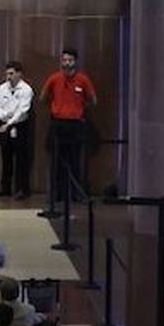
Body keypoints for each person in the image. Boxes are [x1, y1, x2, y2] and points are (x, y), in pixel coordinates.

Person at [39, 46, 97, 210]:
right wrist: (56, 108)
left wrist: (79, 108)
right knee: (56, 161)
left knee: (75, 160)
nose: (66, 63)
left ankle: (76, 193)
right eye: (64, 60)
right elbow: (42, 98)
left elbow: (93, 99)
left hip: (75, 125)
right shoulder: (54, 78)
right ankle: (55, 194)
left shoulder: (83, 80)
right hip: (58, 124)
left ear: (75, 62)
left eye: (70, 60)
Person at [0, 61, 35, 198]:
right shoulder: (2, 88)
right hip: (3, 125)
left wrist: (10, 122)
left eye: (11, 74)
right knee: (6, 157)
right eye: (7, 74)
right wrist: (3, 118)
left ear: (19, 74)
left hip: (19, 127)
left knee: (21, 159)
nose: (8, 77)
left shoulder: (26, 89)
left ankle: (22, 189)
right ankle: (5, 187)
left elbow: (22, 111)